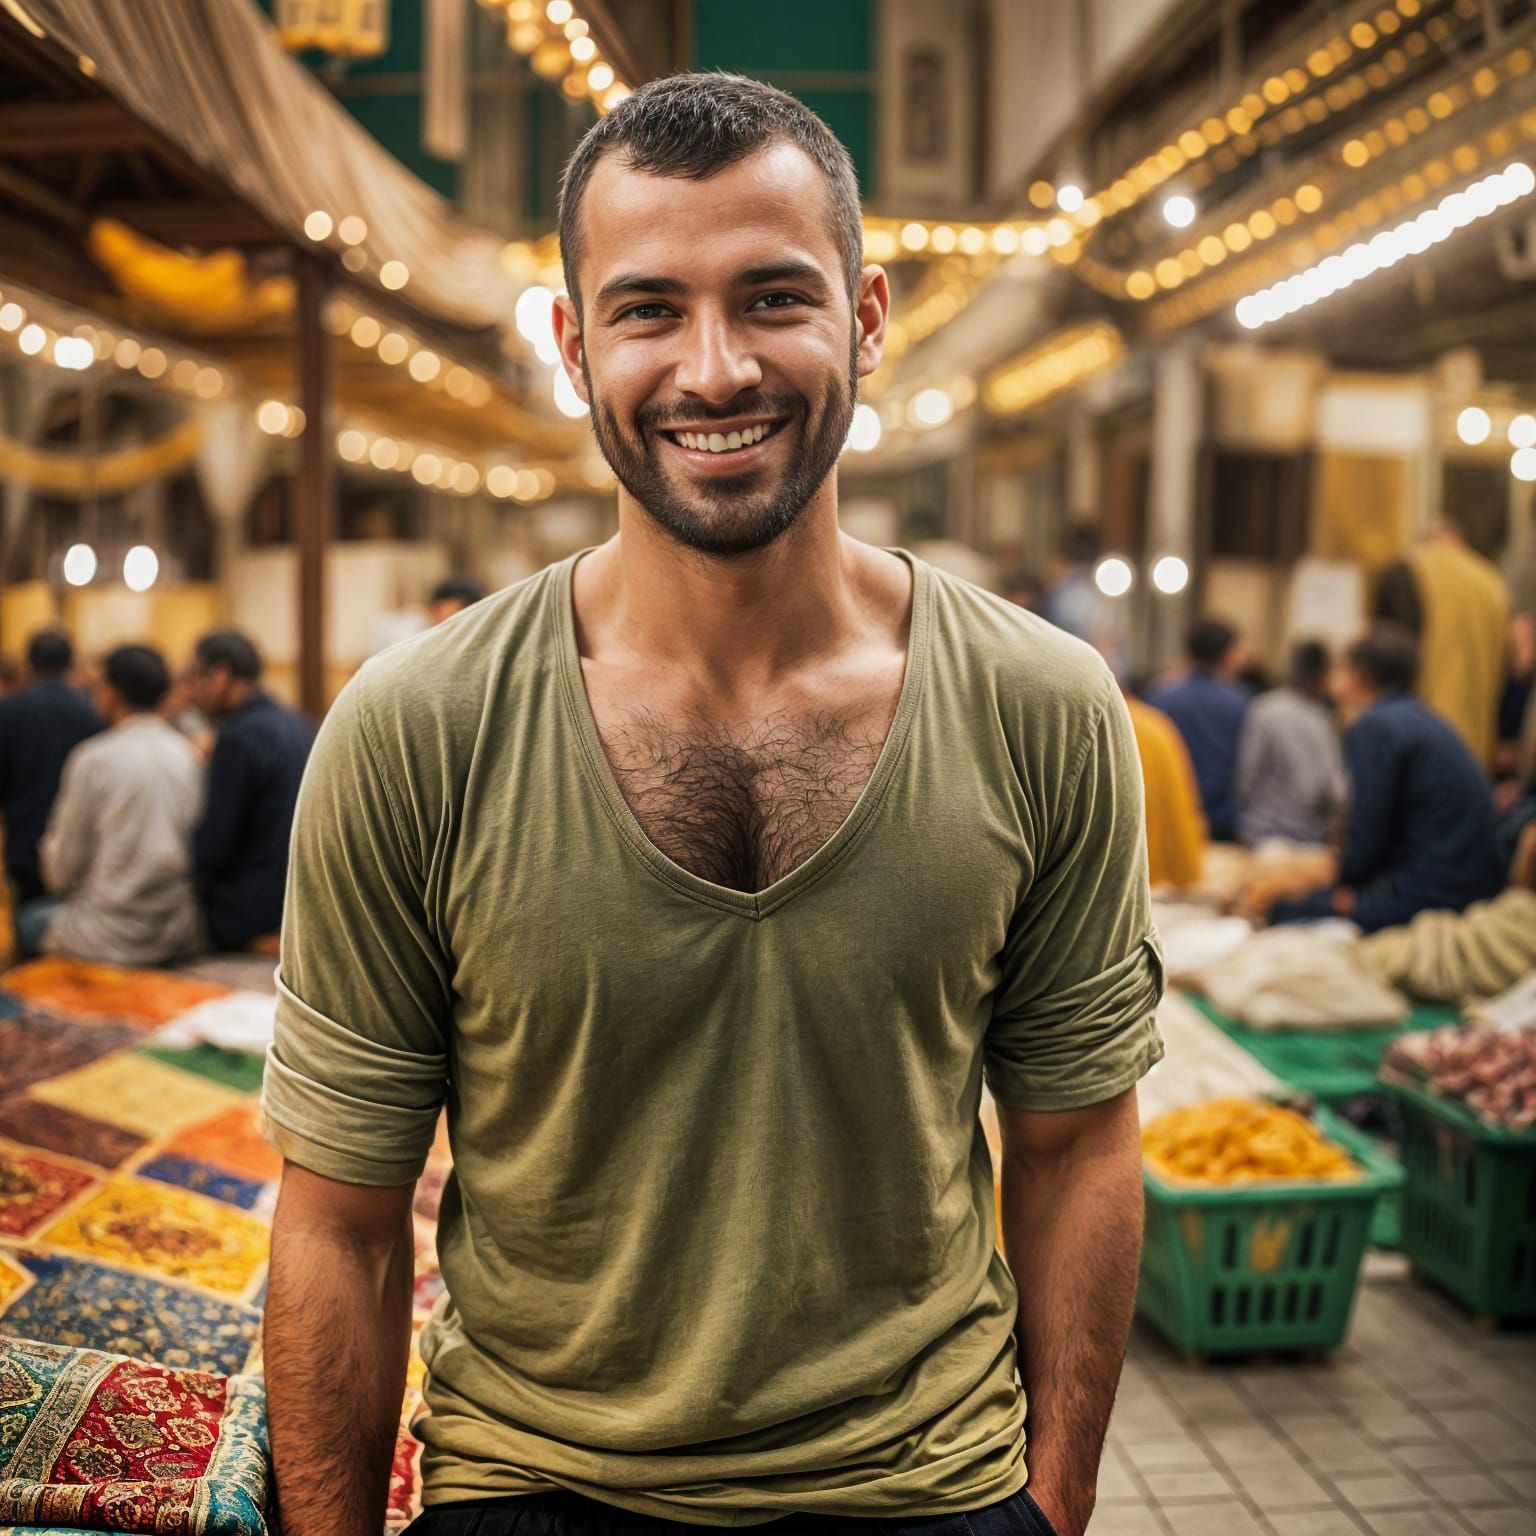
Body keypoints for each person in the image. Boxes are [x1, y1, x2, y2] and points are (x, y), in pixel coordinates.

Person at [260, 72, 1164, 1536]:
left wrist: (1049, 1512)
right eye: (647, 311)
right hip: (537, 1485)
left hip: (925, 1490)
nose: (716, 368)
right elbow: (340, 1225)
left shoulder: (1041, 706)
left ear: (866, 319)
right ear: (574, 347)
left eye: (773, 298)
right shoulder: (416, 731)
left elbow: (1076, 1146)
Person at [1269, 626, 1505, 932]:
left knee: (1281, 908)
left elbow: (1367, 839)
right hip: (1474, 884)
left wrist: (1335, 884)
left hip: (1435, 894)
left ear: (1358, 675)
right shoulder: (1419, 716)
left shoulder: (1376, 726)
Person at [18, 643, 203, 965]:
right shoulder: (187, 754)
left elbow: (62, 868)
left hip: (109, 931)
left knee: (28, 920)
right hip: (177, 928)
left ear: (111, 692)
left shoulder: (94, 758)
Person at [185, 630, 316, 952]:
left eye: (194, 677)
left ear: (219, 676)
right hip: (303, 902)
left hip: (247, 912)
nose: (190, 692)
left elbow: (214, 848)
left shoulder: (238, 739)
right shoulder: (299, 722)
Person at [1374, 521, 1509, 767]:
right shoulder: (1493, 582)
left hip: (1420, 729)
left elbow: (1388, 657)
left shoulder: (1410, 569)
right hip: (1476, 741)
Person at [0, 629, 101, 908]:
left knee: (31, 922)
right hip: (86, 848)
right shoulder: (93, 709)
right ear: (71, 667)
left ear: (27, 667)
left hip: (26, 843)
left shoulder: (9, 710)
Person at [1146, 618, 1249, 842]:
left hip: (1169, 813)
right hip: (1221, 817)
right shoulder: (1240, 702)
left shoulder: (1159, 698)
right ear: (1228, 655)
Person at [1234, 639, 1345, 846]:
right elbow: (1333, 786)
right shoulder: (1322, 719)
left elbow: (1247, 773)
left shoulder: (1265, 708)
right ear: (1321, 675)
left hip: (1262, 830)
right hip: (1309, 834)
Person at [1126, 694, 1206, 889]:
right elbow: (1181, 814)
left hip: (1119, 888)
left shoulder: (1086, 725)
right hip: (1159, 883)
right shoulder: (1155, 725)